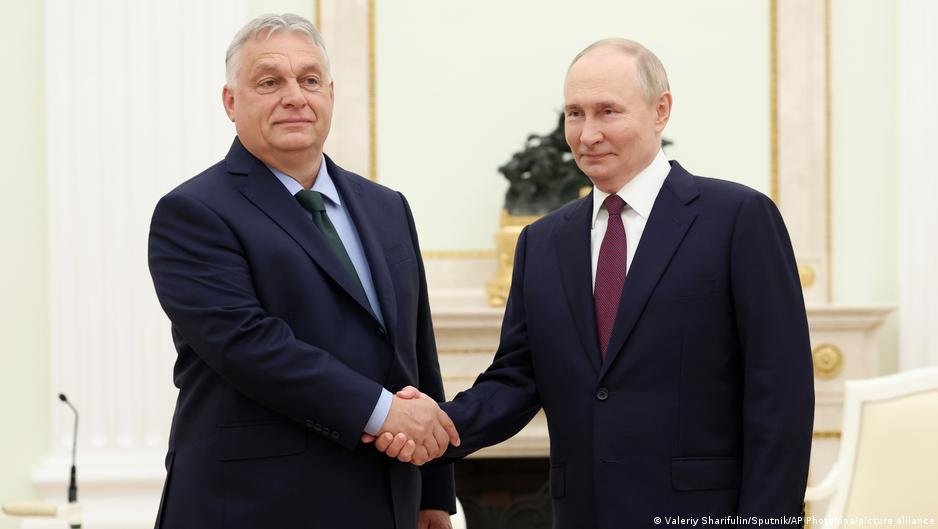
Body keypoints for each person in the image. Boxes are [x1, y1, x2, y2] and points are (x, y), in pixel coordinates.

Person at [368, 38, 815, 528]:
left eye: (608, 111)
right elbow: (516, 380)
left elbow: (781, 396)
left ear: (661, 110)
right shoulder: (541, 242)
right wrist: (437, 425)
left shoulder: (739, 219)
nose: (588, 134)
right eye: (575, 114)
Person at [148, 13, 459, 529]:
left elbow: (415, 351)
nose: (294, 96)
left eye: (309, 80)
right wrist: (384, 411)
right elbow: (250, 345)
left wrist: (433, 492)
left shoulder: (387, 207)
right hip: (254, 505)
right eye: (269, 82)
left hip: (387, 502)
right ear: (230, 102)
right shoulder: (193, 213)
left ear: (330, 95)